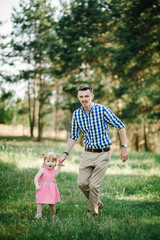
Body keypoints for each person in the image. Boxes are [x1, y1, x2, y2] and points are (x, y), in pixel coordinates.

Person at [59, 84, 128, 218]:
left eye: (86, 96)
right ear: (78, 97)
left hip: (103, 153)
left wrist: (124, 147)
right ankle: (97, 202)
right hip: (87, 153)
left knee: (94, 186)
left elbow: (121, 126)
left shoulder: (102, 110)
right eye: (81, 97)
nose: (84, 99)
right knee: (81, 183)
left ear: (92, 96)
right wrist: (64, 154)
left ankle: (92, 214)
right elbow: (73, 136)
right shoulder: (77, 114)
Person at [34, 152, 62, 219]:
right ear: (44, 161)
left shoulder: (53, 170)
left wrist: (59, 167)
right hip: (42, 188)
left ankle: (53, 215)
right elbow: (36, 178)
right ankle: (38, 215)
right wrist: (37, 185)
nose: (50, 163)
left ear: (55, 163)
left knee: (52, 203)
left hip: (51, 188)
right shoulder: (42, 169)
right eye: (48, 161)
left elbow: (55, 174)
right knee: (40, 202)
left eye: (52, 161)